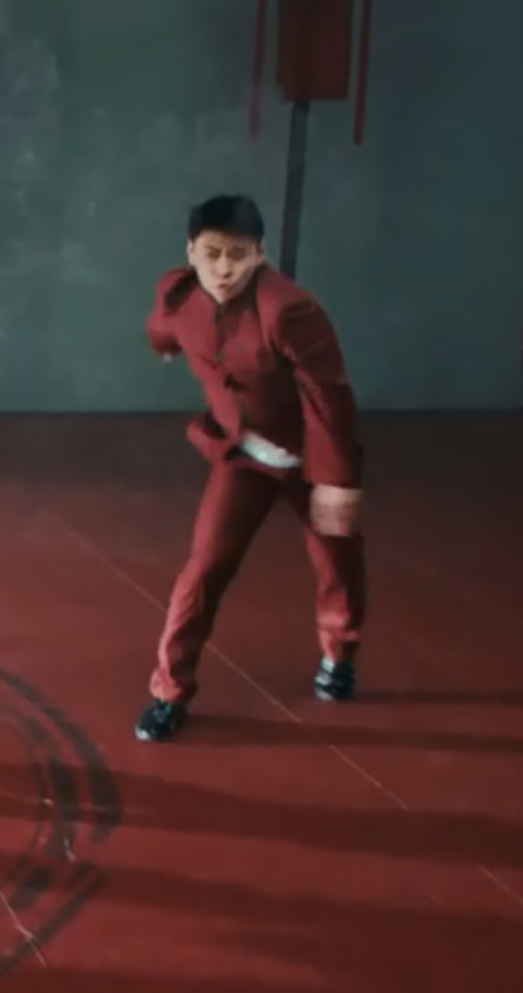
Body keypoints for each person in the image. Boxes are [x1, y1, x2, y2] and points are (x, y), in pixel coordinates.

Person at [135, 193, 365, 743]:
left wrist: (336, 482)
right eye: (212, 253)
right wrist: (162, 346)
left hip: (309, 459)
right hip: (242, 456)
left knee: (336, 562)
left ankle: (339, 654)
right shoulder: (178, 293)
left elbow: (329, 396)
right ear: (191, 251)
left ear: (260, 253)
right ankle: (169, 692)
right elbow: (162, 327)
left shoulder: (289, 310)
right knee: (204, 567)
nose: (224, 269)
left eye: (238, 255)